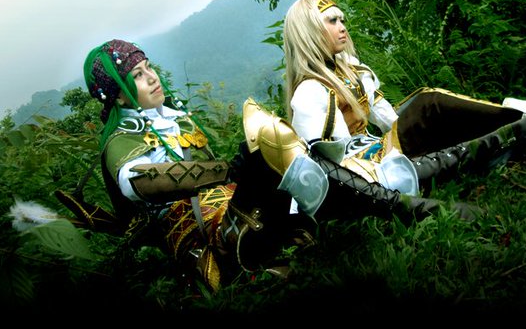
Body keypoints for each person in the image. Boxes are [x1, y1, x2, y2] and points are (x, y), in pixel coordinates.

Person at [75, 39, 450, 292]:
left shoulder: (174, 118)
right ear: (116, 94)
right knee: (270, 145)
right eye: (137, 75)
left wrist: (239, 170)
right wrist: (231, 169)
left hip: (234, 207)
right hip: (208, 238)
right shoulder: (119, 140)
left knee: (288, 150)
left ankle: (395, 192)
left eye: (148, 67)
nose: (152, 77)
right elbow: (138, 182)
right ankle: (401, 202)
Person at [282, 0, 526, 203]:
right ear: (310, 31)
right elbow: (331, 165)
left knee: (427, 106)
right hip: (371, 169)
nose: (342, 27)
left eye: (342, 19)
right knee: (429, 105)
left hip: (382, 148)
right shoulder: (309, 92)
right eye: (332, 21)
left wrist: (411, 130)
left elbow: (384, 114)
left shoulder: (351, 68)